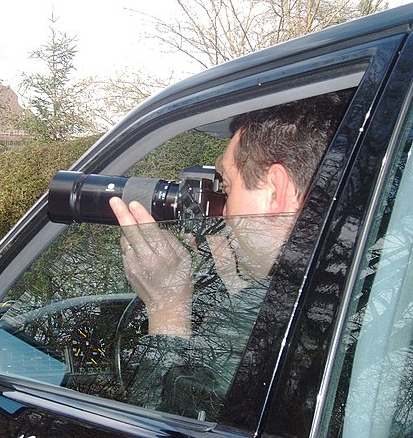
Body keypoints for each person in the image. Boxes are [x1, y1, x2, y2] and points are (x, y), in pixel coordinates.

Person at [108, 92, 350, 419]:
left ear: (275, 191)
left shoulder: (284, 307)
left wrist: (167, 308)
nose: (223, 212)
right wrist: (245, 294)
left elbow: (165, 424)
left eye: (227, 185)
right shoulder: (349, 279)